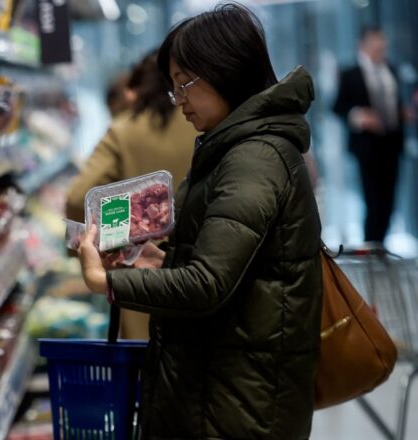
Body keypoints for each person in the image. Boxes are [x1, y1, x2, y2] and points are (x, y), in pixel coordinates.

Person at [76, 3, 322, 439]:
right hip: (223, 390)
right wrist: (159, 259)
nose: (179, 101)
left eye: (184, 84)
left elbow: (208, 283)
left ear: (225, 71)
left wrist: (104, 281)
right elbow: (230, 262)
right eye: (173, 88)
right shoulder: (231, 147)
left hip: (236, 405)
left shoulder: (254, 158)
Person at [67, 51, 197, 339]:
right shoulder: (203, 123)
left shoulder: (125, 129)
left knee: (147, 367)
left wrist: (110, 237)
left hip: (141, 278)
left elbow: (78, 198)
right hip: (204, 276)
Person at [333, 26, 406, 245]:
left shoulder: (391, 70)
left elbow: (395, 104)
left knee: (389, 200)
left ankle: (381, 244)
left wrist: (403, 113)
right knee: (372, 199)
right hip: (367, 146)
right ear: (363, 45)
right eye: (375, 44)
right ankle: (371, 245)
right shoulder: (350, 73)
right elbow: (338, 107)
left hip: (392, 143)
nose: (380, 48)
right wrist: (358, 116)